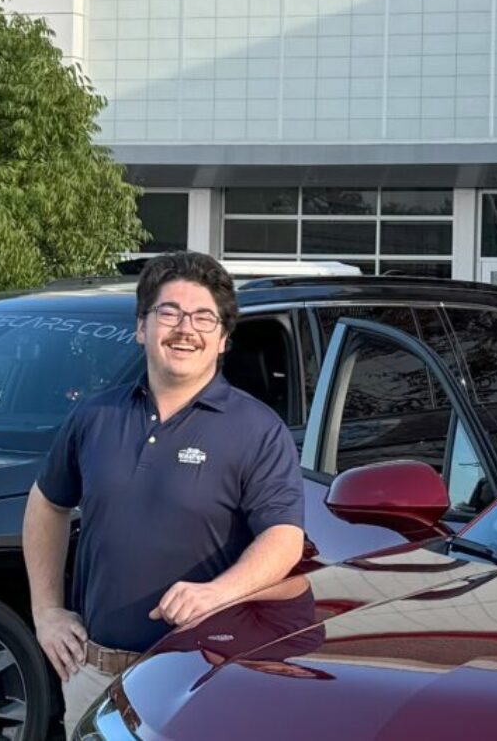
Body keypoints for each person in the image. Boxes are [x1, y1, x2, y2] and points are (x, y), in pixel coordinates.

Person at [23, 252, 309, 734]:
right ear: (141, 328)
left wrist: (217, 593)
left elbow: (284, 537)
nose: (185, 328)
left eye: (203, 317)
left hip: (197, 676)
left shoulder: (257, 430)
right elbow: (46, 503)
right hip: (92, 674)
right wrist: (46, 612)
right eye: (169, 313)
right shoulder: (95, 417)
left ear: (222, 340)